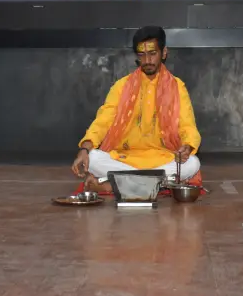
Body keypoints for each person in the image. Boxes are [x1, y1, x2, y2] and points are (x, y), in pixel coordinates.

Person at [71, 26, 202, 193]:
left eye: (152, 53)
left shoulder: (177, 87)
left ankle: (113, 185)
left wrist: (187, 147)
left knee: (192, 163)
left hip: (162, 159)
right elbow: (102, 122)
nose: (147, 60)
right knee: (93, 158)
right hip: (125, 159)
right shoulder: (121, 86)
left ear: (164, 53)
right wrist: (84, 149)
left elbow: (187, 125)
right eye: (142, 55)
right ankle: (150, 185)